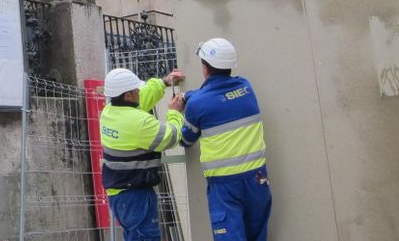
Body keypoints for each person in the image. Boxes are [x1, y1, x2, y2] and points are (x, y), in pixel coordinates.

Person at [179, 38, 271, 241]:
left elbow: (185, 140)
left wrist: (177, 110)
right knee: (258, 235)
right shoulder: (246, 87)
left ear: (205, 67)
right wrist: (189, 95)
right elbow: (215, 95)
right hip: (258, 178)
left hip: (225, 185)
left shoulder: (198, 104)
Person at [100, 67, 186, 241]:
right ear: (128, 96)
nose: (140, 91)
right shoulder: (137, 122)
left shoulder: (109, 112)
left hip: (119, 193)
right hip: (135, 195)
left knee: (134, 236)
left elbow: (144, 97)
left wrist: (164, 82)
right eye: (136, 90)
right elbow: (172, 137)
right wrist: (175, 113)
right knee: (146, 237)